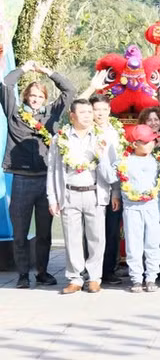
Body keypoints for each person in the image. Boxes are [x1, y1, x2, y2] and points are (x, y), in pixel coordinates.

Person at [1, 60, 75, 289]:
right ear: (25, 96)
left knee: (44, 232)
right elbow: (4, 84)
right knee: (21, 231)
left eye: (40, 96)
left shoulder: (51, 115)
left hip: (46, 180)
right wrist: (24, 69)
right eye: (32, 95)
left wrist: (47, 71)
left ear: (45, 98)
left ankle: (42, 272)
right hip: (21, 178)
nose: (35, 99)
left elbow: (69, 91)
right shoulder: (14, 113)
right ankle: (23, 275)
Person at [46, 99, 109, 294]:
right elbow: (53, 170)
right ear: (72, 116)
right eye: (83, 112)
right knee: (72, 238)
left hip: (94, 193)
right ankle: (75, 278)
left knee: (96, 238)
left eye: (90, 112)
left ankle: (94, 277)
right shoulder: (60, 139)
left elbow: (112, 169)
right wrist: (52, 198)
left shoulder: (100, 137)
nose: (88, 115)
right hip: (70, 193)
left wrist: (102, 155)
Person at [100, 125, 160, 293]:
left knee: (152, 244)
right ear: (135, 144)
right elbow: (109, 176)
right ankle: (136, 278)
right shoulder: (124, 161)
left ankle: (151, 278)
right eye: (146, 141)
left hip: (153, 207)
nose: (151, 144)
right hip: (132, 208)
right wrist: (101, 157)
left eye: (152, 140)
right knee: (133, 244)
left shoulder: (158, 160)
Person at [90, 94, 126, 286]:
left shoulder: (115, 132)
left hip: (110, 188)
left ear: (109, 111)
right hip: (89, 189)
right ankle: (91, 272)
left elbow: (118, 165)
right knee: (92, 233)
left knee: (111, 232)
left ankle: (109, 271)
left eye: (104, 109)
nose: (100, 113)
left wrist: (116, 192)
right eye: (97, 110)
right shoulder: (86, 131)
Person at [137, 107, 160, 281]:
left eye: (156, 119)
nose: (153, 123)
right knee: (143, 231)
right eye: (149, 120)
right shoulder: (139, 143)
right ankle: (144, 267)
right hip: (143, 193)